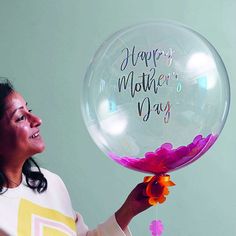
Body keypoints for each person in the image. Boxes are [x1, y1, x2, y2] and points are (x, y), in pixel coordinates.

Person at [0, 79, 164, 236]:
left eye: (29, 110)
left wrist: (128, 210)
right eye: (21, 117)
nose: (37, 120)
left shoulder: (50, 183)